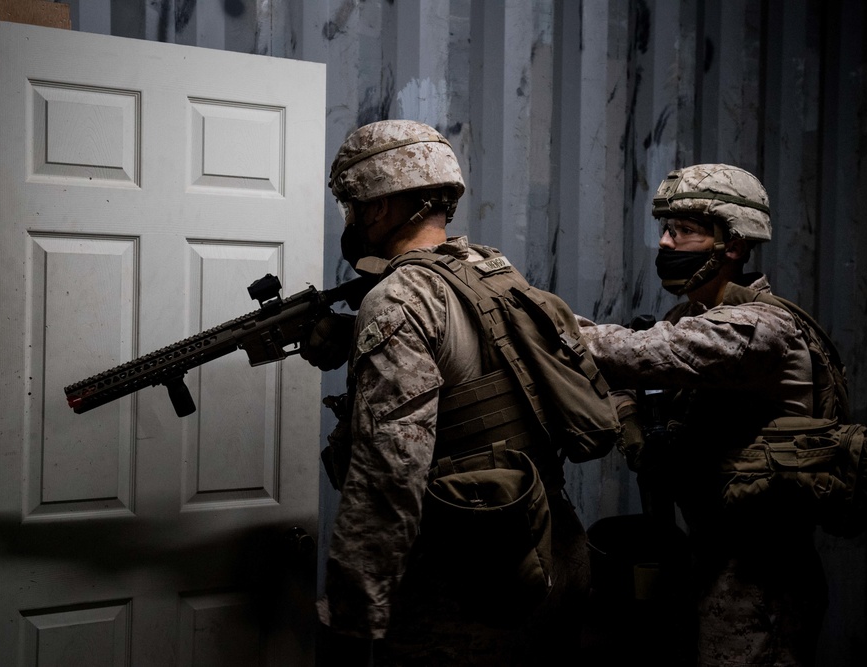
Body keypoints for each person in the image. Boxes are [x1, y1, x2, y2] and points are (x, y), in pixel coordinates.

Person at [306, 119, 591, 666]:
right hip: (551, 551)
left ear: (376, 207)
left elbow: (389, 473)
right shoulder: (495, 273)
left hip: (468, 586)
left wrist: (353, 614)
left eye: (353, 204)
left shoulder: (396, 299)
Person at [577, 164, 828, 666]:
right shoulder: (689, 318)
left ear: (733, 245)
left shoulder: (758, 327)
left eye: (685, 230)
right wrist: (630, 419)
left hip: (759, 576)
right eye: (666, 230)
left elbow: (638, 354)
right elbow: (632, 376)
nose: (666, 243)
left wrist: (536, 318)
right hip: (705, 556)